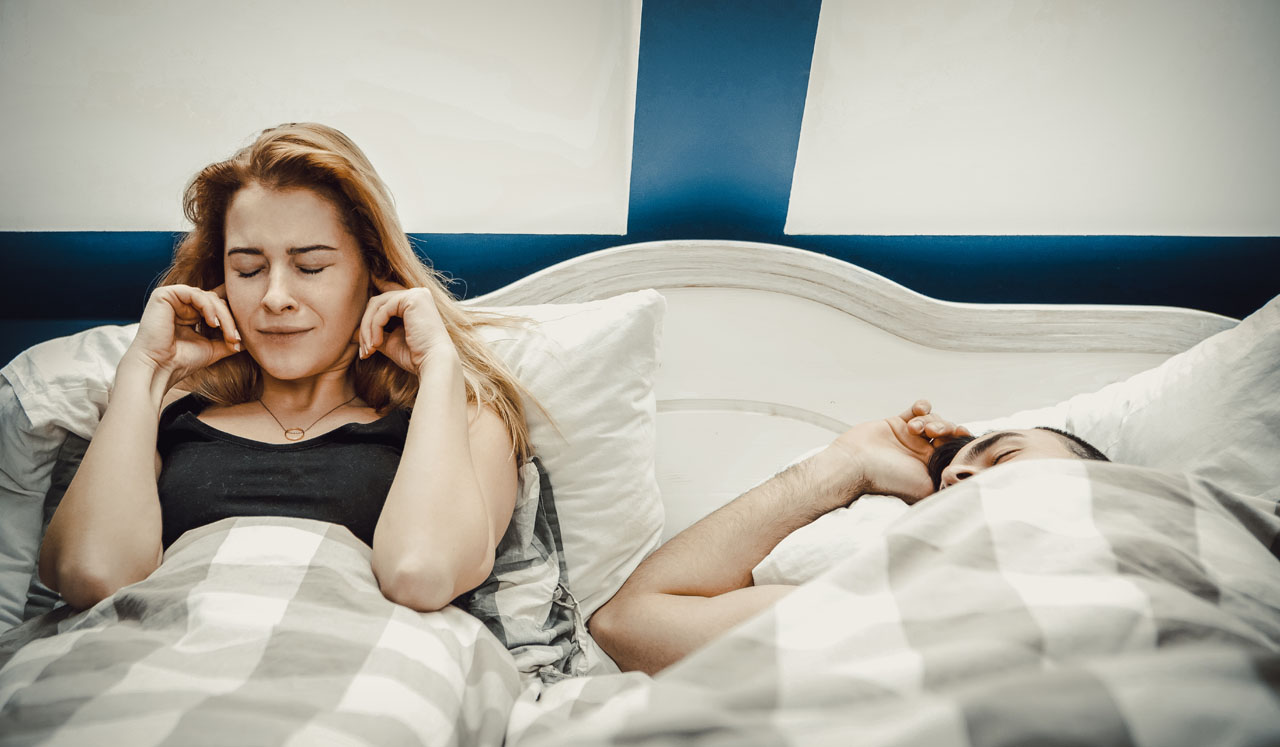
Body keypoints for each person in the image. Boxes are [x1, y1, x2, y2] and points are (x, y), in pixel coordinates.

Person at [38, 123, 533, 614]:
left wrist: (439, 366)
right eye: (248, 270)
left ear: (374, 271)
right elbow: (92, 575)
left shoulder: (464, 416)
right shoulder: (171, 409)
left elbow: (421, 575)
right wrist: (143, 370)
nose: (274, 298)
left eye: (311, 267)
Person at [589, 400, 1110, 675]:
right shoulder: (867, 601)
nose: (956, 476)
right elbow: (625, 623)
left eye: (1005, 456)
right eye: (949, 475)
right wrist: (848, 465)